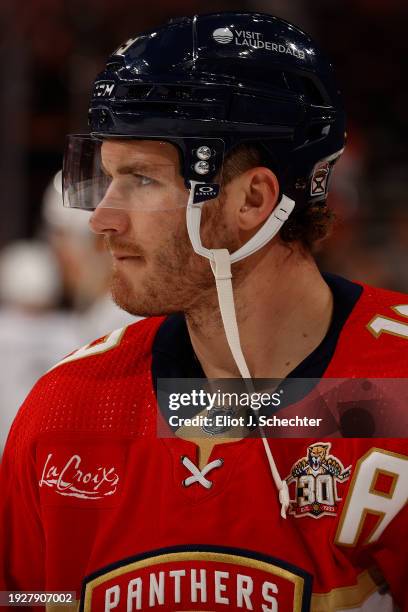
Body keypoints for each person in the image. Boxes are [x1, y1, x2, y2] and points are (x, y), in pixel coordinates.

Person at [1, 12, 407, 612]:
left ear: (252, 199)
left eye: (140, 179)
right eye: (108, 178)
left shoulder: (396, 388)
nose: (102, 220)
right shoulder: (65, 410)